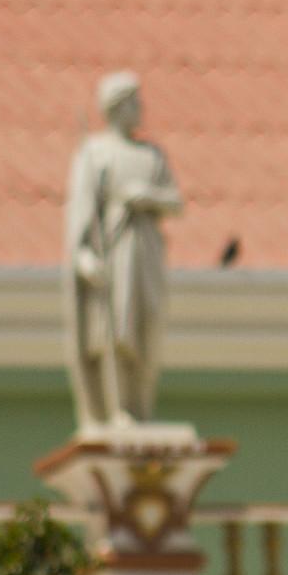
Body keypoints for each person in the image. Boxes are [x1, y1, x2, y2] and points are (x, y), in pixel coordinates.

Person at [65, 71, 182, 428]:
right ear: (117, 108)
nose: (141, 107)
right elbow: (82, 211)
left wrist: (147, 196)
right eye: (133, 102)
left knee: (147, 329)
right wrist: (84, 257)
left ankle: (139, 407)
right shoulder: (95, 155)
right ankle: (118, 409)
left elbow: (175, 202)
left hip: (146, 255)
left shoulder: (152, 156)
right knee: (116, 331)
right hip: (115, 255)